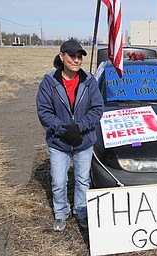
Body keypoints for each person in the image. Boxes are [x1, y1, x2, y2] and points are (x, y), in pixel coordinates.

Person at [36, 39, 104, 231]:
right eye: (72, 56)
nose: (76, 60)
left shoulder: (89, 81)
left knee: (83, 180)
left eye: (79, 56)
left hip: (84, 141)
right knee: (58, 181)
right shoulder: (49, 83)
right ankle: (61, 212)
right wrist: (64, 130)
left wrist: (80, 127)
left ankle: (81, 212)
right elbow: (44, 112)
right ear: (62, 56)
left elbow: (97, 109)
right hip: (59, 142)